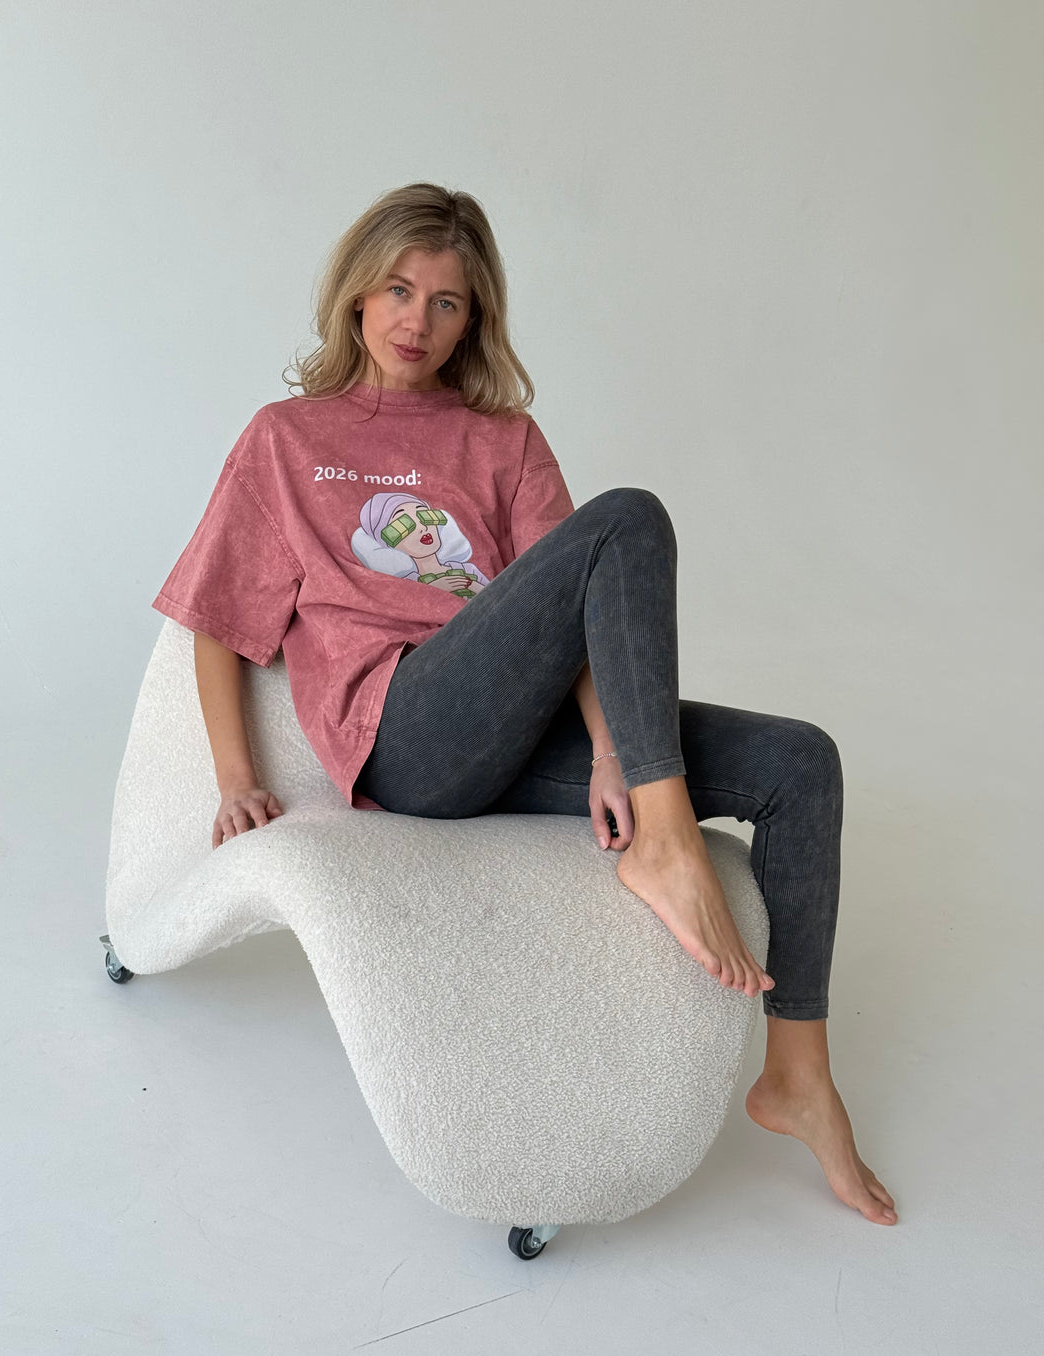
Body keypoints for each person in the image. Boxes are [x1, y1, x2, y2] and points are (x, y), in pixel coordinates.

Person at [152, 181, 897, 1227]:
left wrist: (612, 758)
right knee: (627, 517)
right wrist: (236, 782)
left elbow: (585, 608)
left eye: (447, 301)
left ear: (474, 320)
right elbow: (216, 622)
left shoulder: (502, 439)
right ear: (358, 294)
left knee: (800, 763)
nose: (417, 320)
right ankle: (668, 845)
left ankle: (799, 1076)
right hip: (405, 733)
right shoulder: (287, 437)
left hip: (521, 731)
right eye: (398, 289)